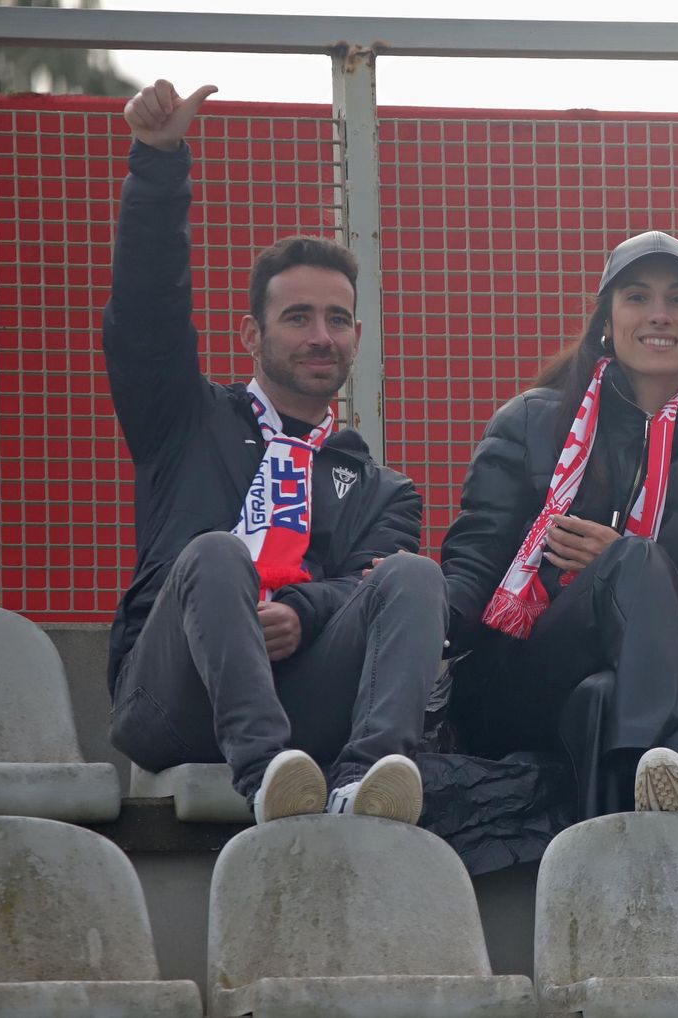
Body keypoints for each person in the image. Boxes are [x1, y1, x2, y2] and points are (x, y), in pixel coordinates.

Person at [103, 79, 445, 825]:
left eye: (337, 319)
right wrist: (158, 164)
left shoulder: (384, 488)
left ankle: (366, 781)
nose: (321, 335)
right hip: (174, 700)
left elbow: (366, 590)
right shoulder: (184, 419)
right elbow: (145, 312)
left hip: (304, 707)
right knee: (218, 554)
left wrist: (297, 605)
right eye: (297, 317)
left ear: (355, 337)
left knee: (416, 576)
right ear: (252, 337)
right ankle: (265, 784)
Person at [440, 230, 678, 820]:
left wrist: (648, 575)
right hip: (521, 680)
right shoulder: (528, 422)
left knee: (607, 681)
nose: (659, 316)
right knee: (633, 562)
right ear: (606, 320)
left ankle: (637, 836)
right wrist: (416, 613)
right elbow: (472, 572)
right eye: (637, 297)